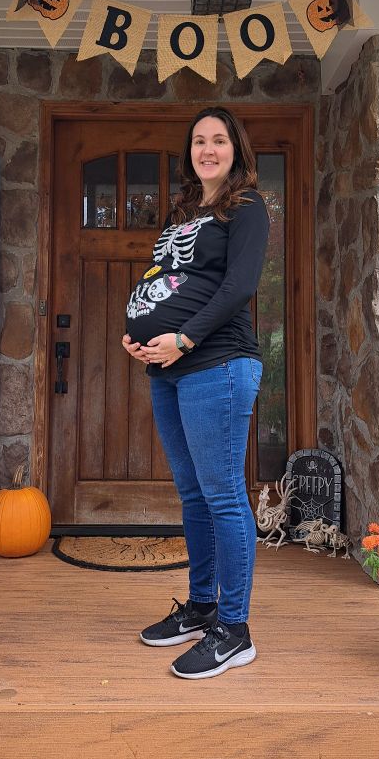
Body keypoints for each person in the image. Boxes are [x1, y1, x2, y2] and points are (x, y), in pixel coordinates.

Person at [122, 106, 269, 679]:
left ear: (236, 148)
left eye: (218, 140)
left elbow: (240, 286)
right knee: (193, 495)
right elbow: (161, 281)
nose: (207, 149)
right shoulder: (185, 211)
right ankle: (203, 605)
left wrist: (182, 337)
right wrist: (138, 334)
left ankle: (234, 629)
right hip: (167, 368)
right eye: (198, 141)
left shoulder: (249, 207)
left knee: (224, 494)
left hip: (217, 362)